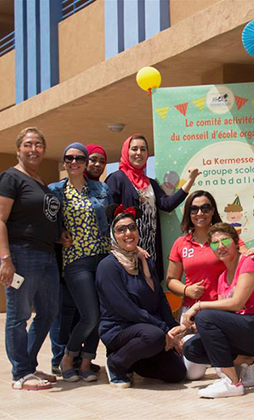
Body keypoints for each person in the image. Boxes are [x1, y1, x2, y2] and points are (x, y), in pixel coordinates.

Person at [167, 190, 254, 380]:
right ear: (188, 213)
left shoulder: (224, 238)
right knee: (192, 374)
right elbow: (171, 280)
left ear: (213, 210)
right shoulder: (181, 243)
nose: (200, 213)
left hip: (224, 310)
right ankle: (241, 358)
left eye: (205, 208)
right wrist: (187, 290)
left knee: (226, 369)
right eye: (194, 209)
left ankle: (243, 359)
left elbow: (247, 257)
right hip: (192, 313)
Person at [180, 223, 254, 398]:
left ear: (236, 242)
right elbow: (223, 318)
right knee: (191, 348)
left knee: (205, 315)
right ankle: (249, 360)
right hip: (247, 331)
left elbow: (237, 303)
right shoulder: (222, 278)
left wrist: (199, 305)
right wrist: (185, 330)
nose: (220, 246)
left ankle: (231, 382)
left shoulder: (250, 259)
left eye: (225, 240)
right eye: (215, 243)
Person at [96, 206, 186, 388]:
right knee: (154, 336)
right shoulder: (108, 267)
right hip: (119, 329)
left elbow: (160, 298)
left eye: (132, 227)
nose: (128, 233)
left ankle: (133, 362)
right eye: (121, 229)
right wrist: (163, 329)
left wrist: (173, 327)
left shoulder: (145, 261)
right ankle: (116, 363)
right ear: (113, 235)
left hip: (149, 328)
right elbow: (126, 309)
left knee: (176, 373)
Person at [0, 127, 60, 390]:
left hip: (47, 254)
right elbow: (0, 220)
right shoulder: (11, 178)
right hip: (21, 254)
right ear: (18, 149)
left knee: (48, 312)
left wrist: (59, 236)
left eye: (38, 144)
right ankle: (20, 373)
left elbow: (39, 219)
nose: (33, 149)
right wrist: (5, 259)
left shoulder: (39, 181)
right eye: (28, 144)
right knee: (19, 314)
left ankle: (29, 365)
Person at [49, 142, 112, 382]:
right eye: (69, 158)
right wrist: (58, 234)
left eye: (79, 158)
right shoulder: (56, 190)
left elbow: (110, 221)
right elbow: (47, 221)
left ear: (85, 162)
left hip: (102, 258)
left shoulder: (101, 189)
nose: (74, 162)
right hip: (76, 260)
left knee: (100, 314)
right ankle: (67, 357)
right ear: (64, 162)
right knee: (90, 315)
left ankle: (86, 362)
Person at [106, 134, 199, 279]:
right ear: (126, 152)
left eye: (143, 150)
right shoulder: (116, 179)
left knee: (150, 289)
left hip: (150, 250)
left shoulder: (151, 183)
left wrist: (190, 181)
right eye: (134, 149)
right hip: (128, 249)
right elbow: (110, 216)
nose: (139, 153)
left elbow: (167, 204)